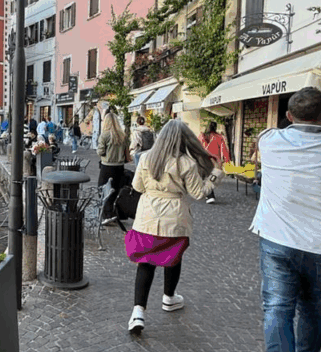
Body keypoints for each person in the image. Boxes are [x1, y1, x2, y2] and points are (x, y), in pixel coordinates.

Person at [250, 87, 321, 352]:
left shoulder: (270, 140)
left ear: (288, 116)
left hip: (278, 241)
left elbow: (264, 137)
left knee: (277, 310)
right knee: (317, 309)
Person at [125, 119, 224, 335]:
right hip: (175, 216)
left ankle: (138, 312)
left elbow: (137, 186)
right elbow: (198, 193)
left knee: (145, 263)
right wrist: (216, 174)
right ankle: (169, 297)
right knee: (173, 256)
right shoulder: (186, 163)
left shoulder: (146, 158)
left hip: (147, 215)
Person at [97, 108, 130, 222]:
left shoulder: (104, 135)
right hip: (119, 167)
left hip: (107, 166)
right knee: (116, 190)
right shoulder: (123, 135)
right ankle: (113, 212)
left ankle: (107, 214)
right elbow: (127, 152)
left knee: (103, 189)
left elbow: (100, 151)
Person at [198, 121, 231, 203]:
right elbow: (224, 149)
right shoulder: (219, 137)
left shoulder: (201, 136)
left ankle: (209, 195)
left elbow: (197, 147)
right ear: (215, 127)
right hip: (215, 160)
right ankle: (209, 194)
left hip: (203, 159)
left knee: (205, 177)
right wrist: (227, 160)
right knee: (212, 176)